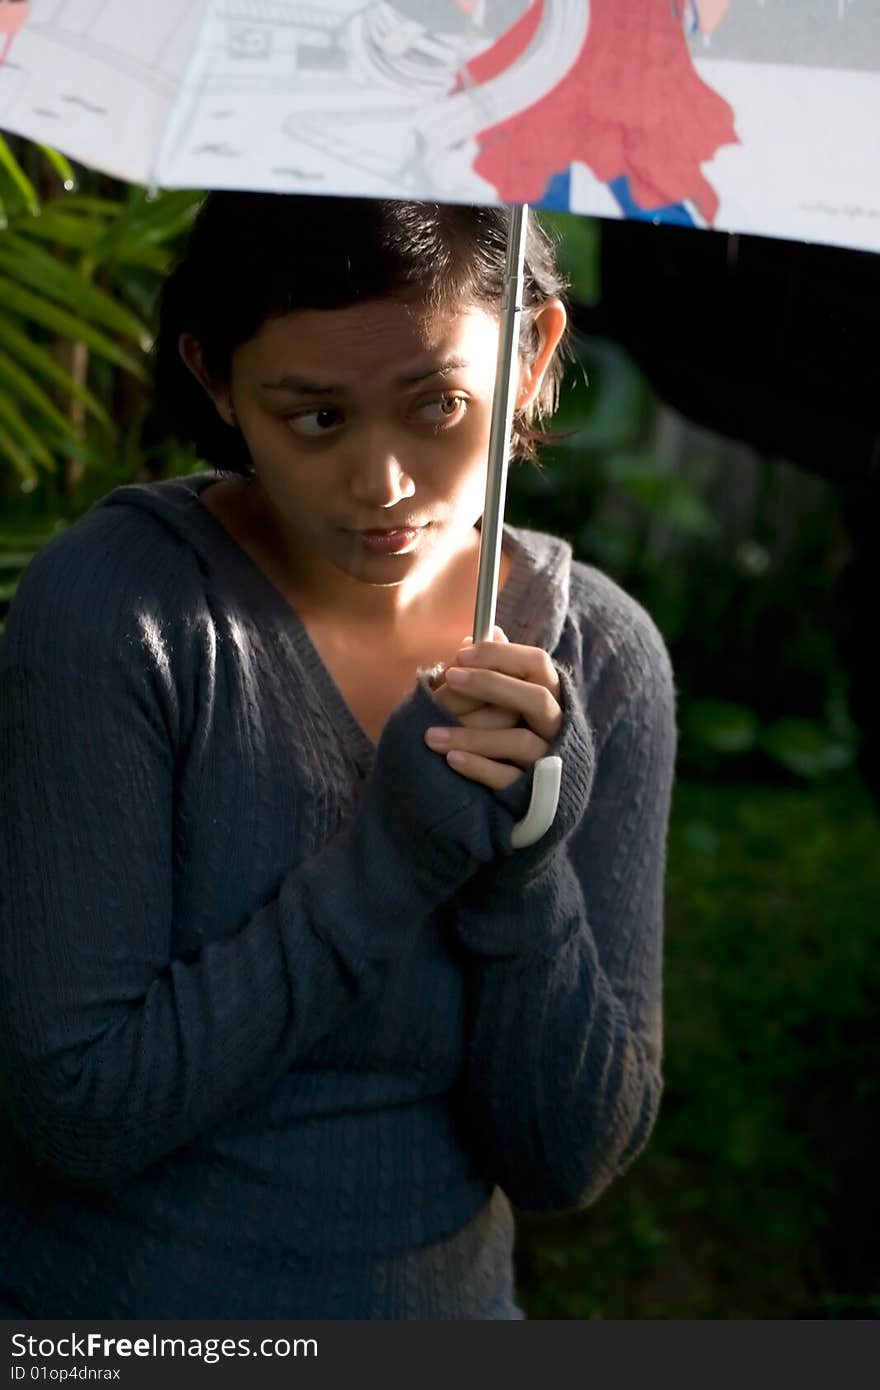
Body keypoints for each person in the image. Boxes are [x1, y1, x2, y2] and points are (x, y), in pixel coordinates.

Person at [0, 194, 677, 1320]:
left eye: (437, 405)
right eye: (315, 418)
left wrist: (520, 873)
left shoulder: (597, 655)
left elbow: (570, 1159)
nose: (383, 484)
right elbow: (80, 1109)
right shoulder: (124, 612)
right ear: (218, 381)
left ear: (531, 350)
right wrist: (394, 861)